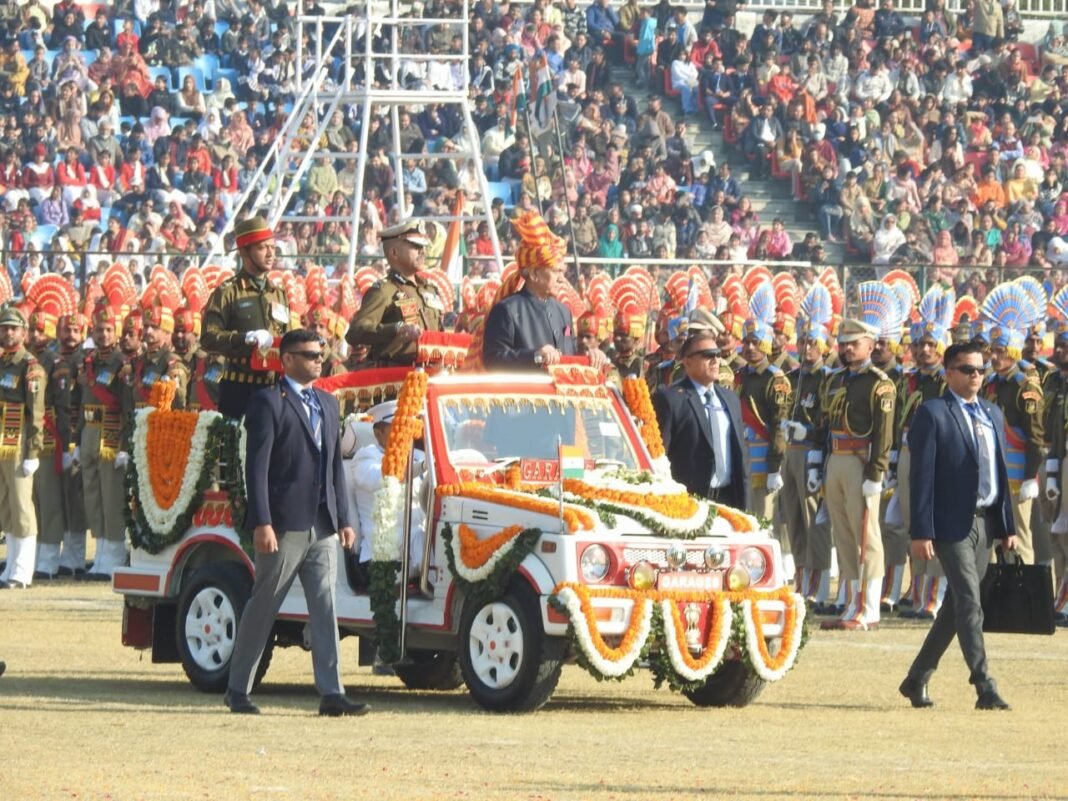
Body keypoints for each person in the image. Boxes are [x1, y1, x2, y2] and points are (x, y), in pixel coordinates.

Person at [225, 329, 364, 717]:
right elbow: (258, 467)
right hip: (284, 524)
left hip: (321, 522)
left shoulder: (328, 403)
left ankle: (332, 692)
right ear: (286, 360)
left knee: (325, 605)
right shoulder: (268, 402)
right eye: (308, 355)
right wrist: (263, 521)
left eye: (321, 355)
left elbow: (335, 465)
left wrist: (344, 518)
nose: (318, 361)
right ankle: (238, 687)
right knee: (264, 604)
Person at [900, 341, 1016, 711]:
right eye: (967, 369)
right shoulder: (933, 413)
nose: (976, 375)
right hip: (950, 525)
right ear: (949, 373)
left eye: (981, 369)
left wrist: (1007, 526)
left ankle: (916, 678)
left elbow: (1000, 472)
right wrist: (921, 531)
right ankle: (984, 685)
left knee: (955, 608)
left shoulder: (993, 414)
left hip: (984, 522)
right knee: (969, 601)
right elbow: (922, 477)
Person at [810, 317, 896, 630]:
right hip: (836, 458)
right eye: (843, 343)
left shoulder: (879, 383)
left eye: (854, 343)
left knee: (866, 537)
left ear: (870, 346)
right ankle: (850, 602)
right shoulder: (834, 379)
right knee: (843, 535)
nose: (847, 348)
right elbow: (824, 424)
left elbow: (884, 434)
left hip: (861, 462)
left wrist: (876, 474)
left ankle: (868, 608)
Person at [482, 211, 607, 370]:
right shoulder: (507, 310)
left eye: (563, 272)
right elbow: (492, 360)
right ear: (534, 274)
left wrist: (592, 355)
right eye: (556, 272)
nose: (562, 279)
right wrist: (534, 356)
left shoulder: (563, 311)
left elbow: (570, 353)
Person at [201, 216, 290, 418]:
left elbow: (287, 335)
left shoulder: (278, 293)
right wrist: (244, 338)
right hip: (239, 388)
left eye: (272, 247)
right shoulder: (227, 292)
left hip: (273, 387)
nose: (270, 254)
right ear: (244, 252)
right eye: (262, 248)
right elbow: (207, 338)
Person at [651, 330, 749, 509]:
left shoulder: (730, 398)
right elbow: (659, 456)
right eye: (707, 355)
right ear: (687, 361)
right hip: (689, 500)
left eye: (717, 355)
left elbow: (739, 452)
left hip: (727, 498)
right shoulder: (671, 398)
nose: (715, 360)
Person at [73, 302, 129, 580]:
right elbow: (83, 400)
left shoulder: (122, 363)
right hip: (89, 429)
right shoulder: (89, 361)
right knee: (92, 493)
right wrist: (78, 441)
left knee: (111, 494)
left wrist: (125, 444)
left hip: (110, 430)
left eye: (108, 329)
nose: (104, 334)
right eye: (99, 329)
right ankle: (101, 553)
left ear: (116, 332)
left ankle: (115, 553)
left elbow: (125, 403)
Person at [345, 219, 443, 366]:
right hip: (396, 376)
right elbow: (355, 332)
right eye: (416, 246)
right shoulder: (384, 290)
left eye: (423, 247)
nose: (423, 252)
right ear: (394, 253)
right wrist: (396, 328)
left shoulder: (429, 289)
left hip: (431, 371)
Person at [0, 308, 45, 589]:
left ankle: (22, 570)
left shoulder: (30, 367)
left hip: (18, 440)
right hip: (1, 440)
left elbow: (37, 413)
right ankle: (10, 565)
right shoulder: (3, 363)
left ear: (23, 332)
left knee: (20, 504)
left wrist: (33, 452)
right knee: (5, 505)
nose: (7, 333)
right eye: (4, 328)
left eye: (13, 328)